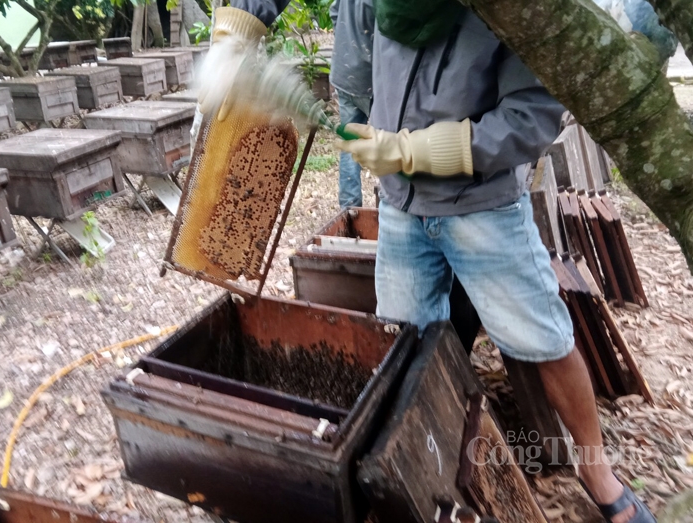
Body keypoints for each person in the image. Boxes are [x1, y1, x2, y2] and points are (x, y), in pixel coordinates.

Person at [197, 3, 656, 522]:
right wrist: (241, 23)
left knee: (543, 341)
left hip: (483, 208)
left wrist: (415, 152)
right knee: (403, 341)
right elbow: (352, 60)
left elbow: (530, 118)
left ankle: (597, 471)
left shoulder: (522, 10)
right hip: (401, 206)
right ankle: (425, 463)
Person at [329, 0, 374, 208]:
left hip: (345, 75)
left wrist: (346, 46)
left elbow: (334, 12)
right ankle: (392, 204)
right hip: (371, 79)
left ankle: (349, 207)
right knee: (390, 142)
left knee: (349, 142)